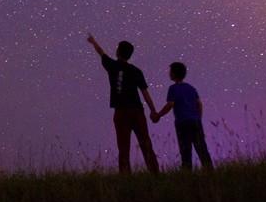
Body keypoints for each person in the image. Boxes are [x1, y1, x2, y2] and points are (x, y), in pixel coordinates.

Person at [86, 34, 160, 174]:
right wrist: (153, 111)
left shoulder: (112, 66)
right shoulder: (136, 71)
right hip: (137, 111)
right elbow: (145, 93)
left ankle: (125, 176)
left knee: (123, 147)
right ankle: (155, 173)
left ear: (118, 52)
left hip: (121, 112)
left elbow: (101, 52)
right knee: (146, 143)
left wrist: (93, 41)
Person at [152, 61, 214, 171]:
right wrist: (198, 118)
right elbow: (199, 104)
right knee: (201, 148)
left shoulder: (173, 88)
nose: (169, 73)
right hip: (195, 122)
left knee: (185, 149)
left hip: (182, 123)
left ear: (174, 74)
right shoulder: (191, 88)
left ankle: (186, 172)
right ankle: (209, 170)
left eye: (170, 71)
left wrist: (159, 115)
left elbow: (170, 104)